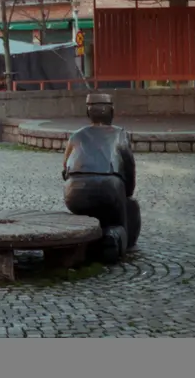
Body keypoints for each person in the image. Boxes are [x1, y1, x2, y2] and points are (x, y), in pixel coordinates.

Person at [62, 93, 140, 264]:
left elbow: (64, 169)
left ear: (88, 112)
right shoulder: (120, 134)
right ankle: (114, 238)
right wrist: (126, 193)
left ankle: (80, 240)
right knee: (120, 219)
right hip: (109, 185)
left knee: (85, 210)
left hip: (74, 189)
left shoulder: (76, 136)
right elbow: (129, 165)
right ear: (112, 112)